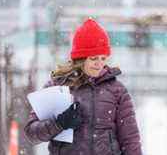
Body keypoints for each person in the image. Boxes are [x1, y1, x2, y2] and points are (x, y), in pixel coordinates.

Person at [24, 18, 143, 155]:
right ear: (80, 59)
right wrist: (59, 124)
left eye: (103, 58)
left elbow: (130, 139)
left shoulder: (117, 90)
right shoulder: (57, 86)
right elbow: (32, 133)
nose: (99, 64)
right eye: (93, 59)